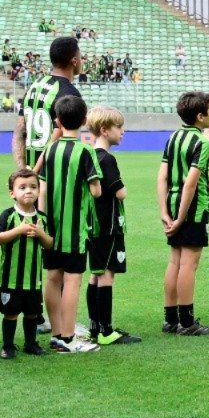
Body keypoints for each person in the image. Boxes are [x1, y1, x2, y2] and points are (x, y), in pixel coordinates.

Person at [38, 95, 102, 353]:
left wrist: (42, 223)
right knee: (73, 280)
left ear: (58, 120)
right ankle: (68, 337)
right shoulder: (85, 150)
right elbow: (96, 190)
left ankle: (56, 333)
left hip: (50, 228)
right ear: (85, 121)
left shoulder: (50, 150)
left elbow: (41, 189)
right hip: (75, 230)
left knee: (53, 278)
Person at [159, 91, 209, 335]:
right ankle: (187, 322)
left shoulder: (174, 137)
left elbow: (162, 175)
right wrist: (183, 217)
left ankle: (171, 319)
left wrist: (165, 211)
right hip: (192, 209)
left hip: (172, 204)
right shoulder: (202, 142)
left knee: (175, 261)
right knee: (189, 264)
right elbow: (191, 183)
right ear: (200, 116)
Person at [87, 106, 139, 346]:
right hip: (108, 225)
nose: (123, 132)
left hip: (93, 225)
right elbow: (120, 193)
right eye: (119, 127)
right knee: (107, 274)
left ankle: (95, 327)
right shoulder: (107, 159)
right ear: (105, 130)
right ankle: (106, 331)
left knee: (95, 274)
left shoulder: (88, 155)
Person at [0, 168, 53, 360]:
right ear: (12, 193)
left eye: (33, 187)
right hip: (11, 279)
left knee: (32, 314)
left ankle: (31, 344)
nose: (29, 191)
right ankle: (8, 346)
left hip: (33, 279)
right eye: (22, 187)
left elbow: (50, 243)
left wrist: (40, 233)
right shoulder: (8, 215)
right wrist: (18, 230)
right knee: (10, 314)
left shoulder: (42, 218)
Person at [15, 35, 85, 170]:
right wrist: (35, 174)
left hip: (30, 175)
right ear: (74, 61)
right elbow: (56, 141)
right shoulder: (70, 93)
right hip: (52, 176)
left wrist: (22, 171)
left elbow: (20, 132)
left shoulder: (34, 86)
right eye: (80, 57)